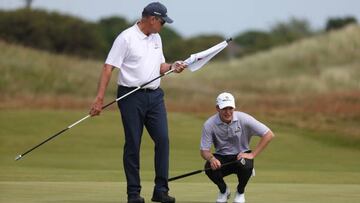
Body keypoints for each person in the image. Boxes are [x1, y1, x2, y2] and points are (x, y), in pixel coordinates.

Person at [89, 2, 186, 203]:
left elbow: (160, 66)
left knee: (163, 140)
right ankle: (133, 193)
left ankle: (161, 191)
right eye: (162, 22)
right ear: (152, 19)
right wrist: (99, 98)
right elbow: (108, 67)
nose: (163, 26)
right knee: (133, 143)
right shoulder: (126, 38)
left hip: (155, 96)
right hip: (130, 96)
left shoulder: (156, 37)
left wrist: (173, 66)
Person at [200, 92, 274, 203]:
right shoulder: (209, 124)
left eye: (230, 108)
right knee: (209, 167)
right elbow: (204, 150)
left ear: (234, 108)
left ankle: (240, 192)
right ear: (217, 108)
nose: (228, 112)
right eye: (224, 108)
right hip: (222, 157)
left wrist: (252, 154)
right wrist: (212, 159)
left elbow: (269, 134)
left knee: (246, 164)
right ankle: (224, 191)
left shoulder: (243, 118)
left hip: (241, 155)